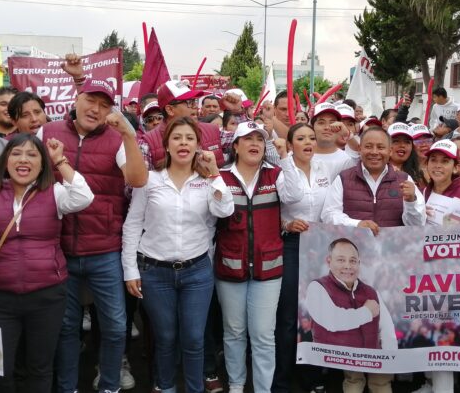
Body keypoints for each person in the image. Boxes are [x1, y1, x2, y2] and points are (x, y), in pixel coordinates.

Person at [42, 54, 148, 393]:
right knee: (67, 327)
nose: (96, 109)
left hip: (104, 250)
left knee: (115, 326)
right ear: (77, 98)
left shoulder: (116, 139)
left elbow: (138, 179)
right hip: (60, 250)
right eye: (91, 100)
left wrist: (128, 135)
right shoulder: (49, 131)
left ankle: (110, 385)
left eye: (104, 105)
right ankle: (68, 387)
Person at [0, 134, 93, 391]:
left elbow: (84, 196)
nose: (23, 160)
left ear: (42, 164)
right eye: (17, 153)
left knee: (40, 368)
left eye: (32, 155)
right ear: (5, 160)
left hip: (47, 296)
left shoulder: (55, 193)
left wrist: (60, 160)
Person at [122, 117, 234, 393]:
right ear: (167, 145)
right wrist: (130, 270)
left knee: (194, 338)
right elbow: (133, 224)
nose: (183, 143)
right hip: (154, 271)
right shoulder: (150, 180)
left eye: (189, 138)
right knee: (165, 337)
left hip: (197, 272)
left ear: (198, 145)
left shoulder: (206, 181)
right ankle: (166, 386)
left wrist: (215, 173)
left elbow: (225, 210)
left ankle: (195, 388)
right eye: (177, 138)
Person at [215, 121, 304, 393]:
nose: (254, 143)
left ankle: (263, 389)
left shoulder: (275, 173)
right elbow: (215, 213)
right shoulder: (221, 175)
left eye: (259, 139)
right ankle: (237, 385)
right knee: (234, 331)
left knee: (264, 334)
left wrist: (286, 156)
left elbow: (295, 195)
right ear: (235, 146)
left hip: (269, 267)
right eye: (248, 139)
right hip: (230, 265)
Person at [417, 140, 460, 393]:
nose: (438, 166)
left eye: (445, 161)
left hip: (452, 277)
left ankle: (443, 388)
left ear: (455, 167)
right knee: (429, 330)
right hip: (425, 275)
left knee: (444, 334)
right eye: (433, 160)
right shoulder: (422, 194)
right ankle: (430, 382)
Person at [272, 123, 334, 393]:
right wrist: (287, 224)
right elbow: (290, 198)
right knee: (288, 316)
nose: (308, 142)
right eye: (300, 138)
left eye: (311, 138)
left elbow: (330, 208)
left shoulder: (324, 169)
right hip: (292, 245)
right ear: (290, 144)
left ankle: (312, 377)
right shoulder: (282, 170)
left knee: (315, 313)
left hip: (320, 245)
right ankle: (282, 380)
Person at [305, 238, 397, 393]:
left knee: (381, 383)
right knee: (354, 382)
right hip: (343, 358)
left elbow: (387, 327)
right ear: (329, 261)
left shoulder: (370, 291)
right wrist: (366, 312)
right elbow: (331, 320)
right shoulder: (317, 287)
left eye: (353, 261)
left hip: (375, 355)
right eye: (341, 260)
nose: (348, 266)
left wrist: (390, 356)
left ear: (359, 263)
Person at [322, 127, 425, 237]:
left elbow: (417, 225)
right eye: (368, 146)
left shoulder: (404, 179)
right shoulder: (344, 178)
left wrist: (411, 202)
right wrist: (356, 224)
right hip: (354, 244)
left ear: (390, 151)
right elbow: (329, 214)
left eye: (380, 147)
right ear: (359, 149)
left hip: (392, 245)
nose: (374, 152)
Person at [141, 80, 246, 170]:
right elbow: (139, 184)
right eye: (189, 102)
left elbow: (247, 138)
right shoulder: (148, 143)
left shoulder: (212, 131)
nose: (195, 106)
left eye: (195, 101)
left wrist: (237, 110)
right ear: (170, 110)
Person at [311, 103, 356, 181]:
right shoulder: (299, 157)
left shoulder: (347, 160)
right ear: (312, 126)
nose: (327, 127)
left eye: (332, 123)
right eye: (321, 122)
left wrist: (348, 134)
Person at [388, 122, 426, 187]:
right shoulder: (377, 171)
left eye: (407, 142)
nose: (402, 145)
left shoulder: (418, 175)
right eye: (396, 141)